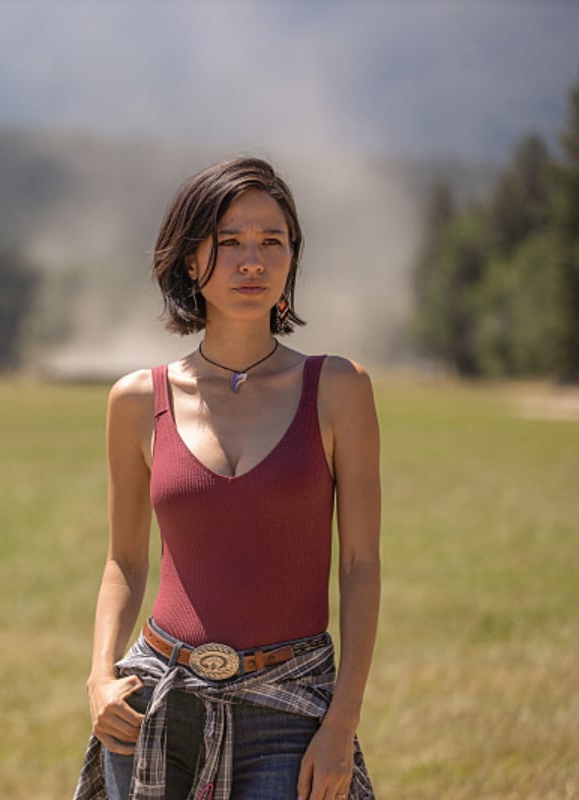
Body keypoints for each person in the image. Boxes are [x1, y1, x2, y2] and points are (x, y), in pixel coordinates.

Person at [73, 157, 380, 800]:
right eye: (229, 241)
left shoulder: (338, 389)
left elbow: (359, 565)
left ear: (292, 260)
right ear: (191, 260)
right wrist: (101, 678)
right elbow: (124, 562)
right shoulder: (136, 399)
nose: (253, 261)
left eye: (273, 242)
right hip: (158, 701)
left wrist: (342, 722)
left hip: (292, 703)